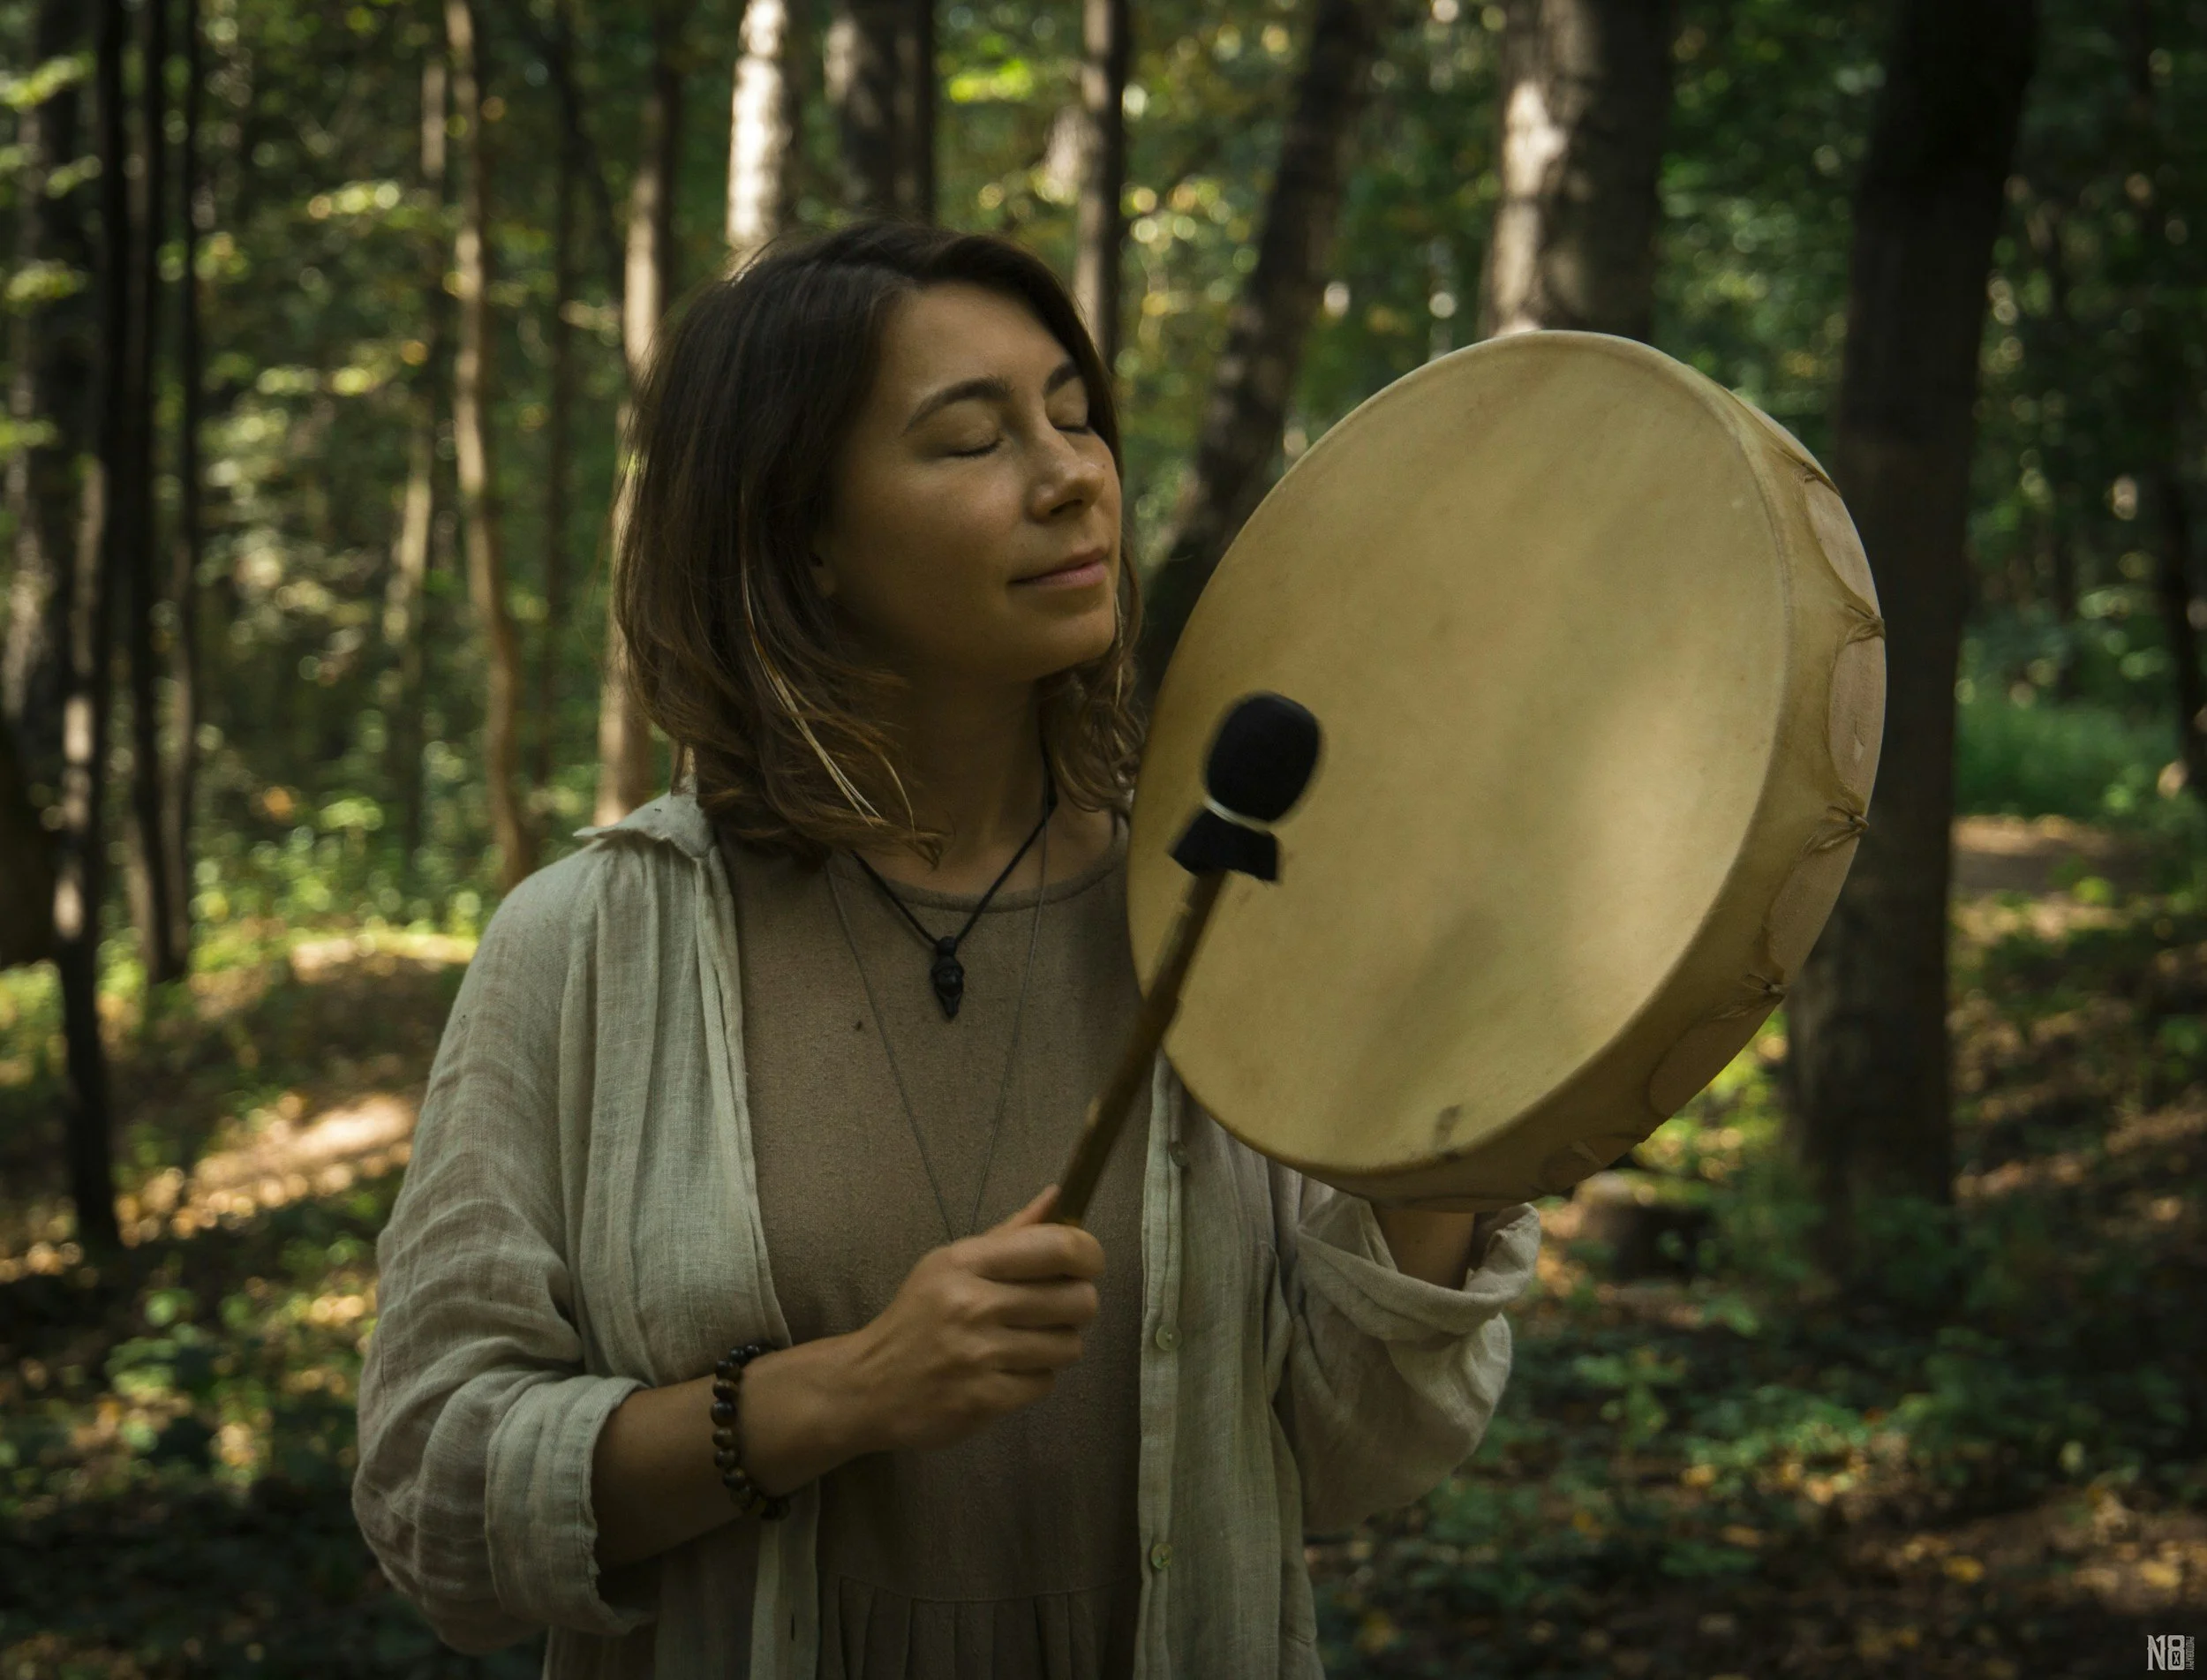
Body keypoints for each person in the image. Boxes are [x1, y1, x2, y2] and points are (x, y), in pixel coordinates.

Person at [352, 221, 1540, 1679]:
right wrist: (838, 1394)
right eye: (972, 440)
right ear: (802, 537)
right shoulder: (590, 946)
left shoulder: (1218, 910)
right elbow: (433, 1498)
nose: (1071, 476)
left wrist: (1453, 1143)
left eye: (1074, 416)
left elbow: (1358, 1453)